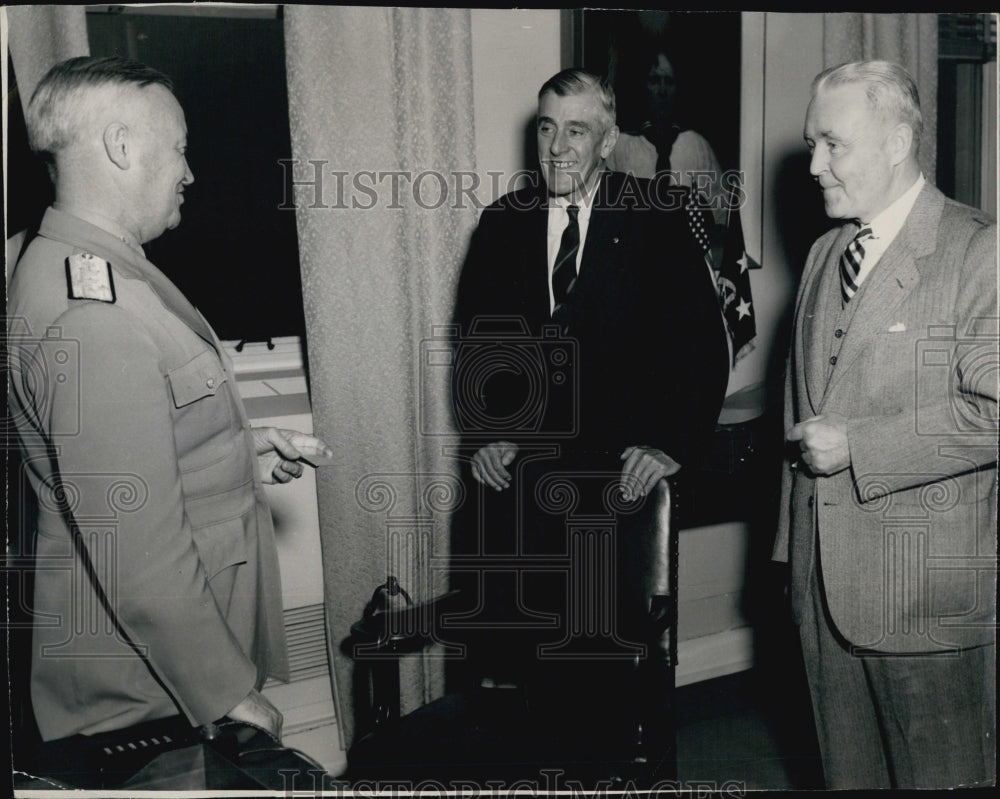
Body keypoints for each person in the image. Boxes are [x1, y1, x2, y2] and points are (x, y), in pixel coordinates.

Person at [7, 56, 333, 778]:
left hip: (154, 668)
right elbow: (133, 540)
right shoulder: (92, 312)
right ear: (122, 146)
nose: (190, 171)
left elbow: (122, 451)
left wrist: (236, 447)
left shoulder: (78, 264)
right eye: (180, 146)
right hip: (151, 690)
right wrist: (225, 691)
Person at [450, 68, 729, 765]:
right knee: (528, 691)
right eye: (546, 128)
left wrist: (670, 443)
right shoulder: (501, 226)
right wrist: (487, 436)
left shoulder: (656, 217)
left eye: (576, 130)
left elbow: (703, 345)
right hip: (524, 500)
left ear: (606, 142)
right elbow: (478, 349)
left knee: (607, 694)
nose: (557, 147)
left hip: (618, 497)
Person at [774, 60, 996, 789]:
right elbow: (798, 407)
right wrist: (790, 559)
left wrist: (861, 448)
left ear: (898, 142)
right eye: (812, 144)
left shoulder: (977, 250)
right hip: (822, 590)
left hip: (925, 598)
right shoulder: (822, 253)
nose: (813, 165)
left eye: (832, 144)